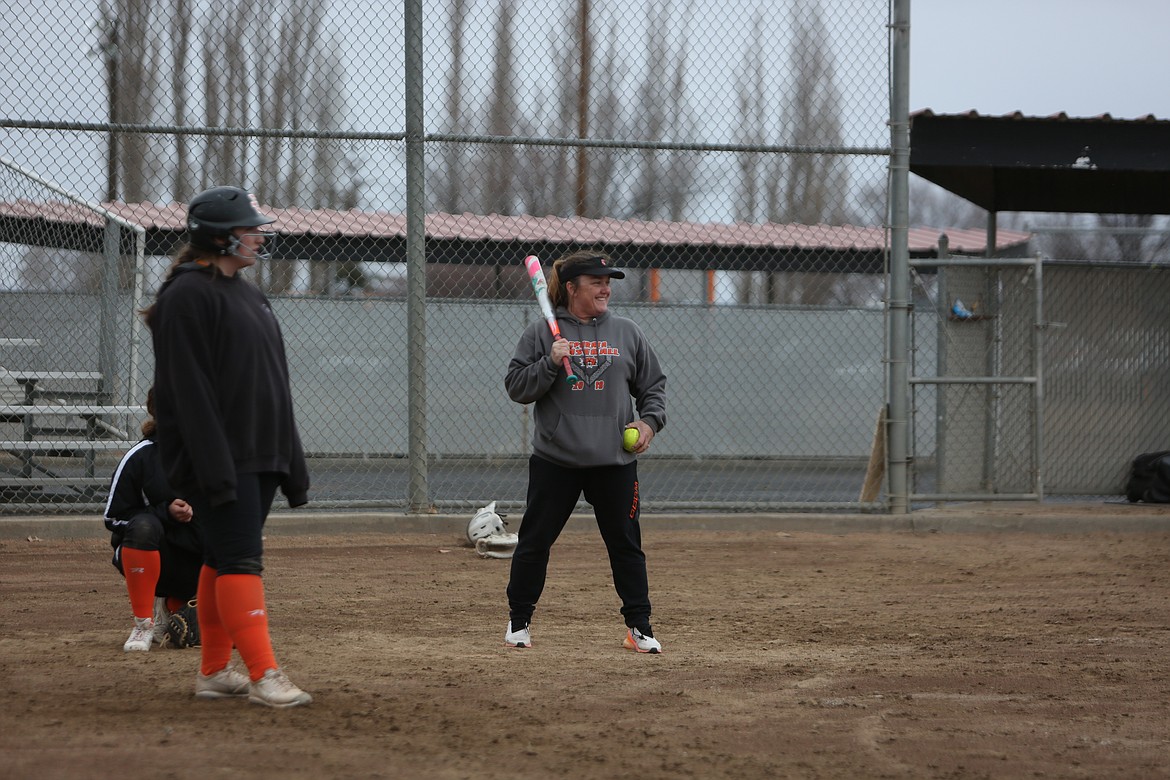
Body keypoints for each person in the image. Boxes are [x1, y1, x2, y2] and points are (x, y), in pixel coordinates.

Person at [142, 185, 312, 707]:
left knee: (219, 558)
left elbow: (273, 382)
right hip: (220, 459)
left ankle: (214, 671)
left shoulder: (249, 294)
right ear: (218, 237)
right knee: (241, 559)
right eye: (249, 228)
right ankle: (265, 675)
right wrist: (213, 469)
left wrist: (291, 459)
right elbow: (189, 394)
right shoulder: (187, 296)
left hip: (257, 453)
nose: (259, 236)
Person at [503, 250, 667, 653]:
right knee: (534, 542)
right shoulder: (543, 332)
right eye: (597, 282)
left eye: (608, 281)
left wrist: (647, 423)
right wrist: (548, 364)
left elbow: (653, 389)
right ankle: (518, 622)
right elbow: (515, 387)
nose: (606, 288)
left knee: (626, 544)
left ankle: (639, 628)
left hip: (614, 461)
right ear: (573, 288)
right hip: (556, 460)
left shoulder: (627, 332)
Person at [105, 387, 202, 652]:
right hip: (156, 553)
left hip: (198, 555)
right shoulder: (140, 456)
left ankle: (175, 606)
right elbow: (114, 518)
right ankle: (143, 624)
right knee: (144, 527)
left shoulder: (210, 455)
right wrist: (165, 512)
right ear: (157, 413)